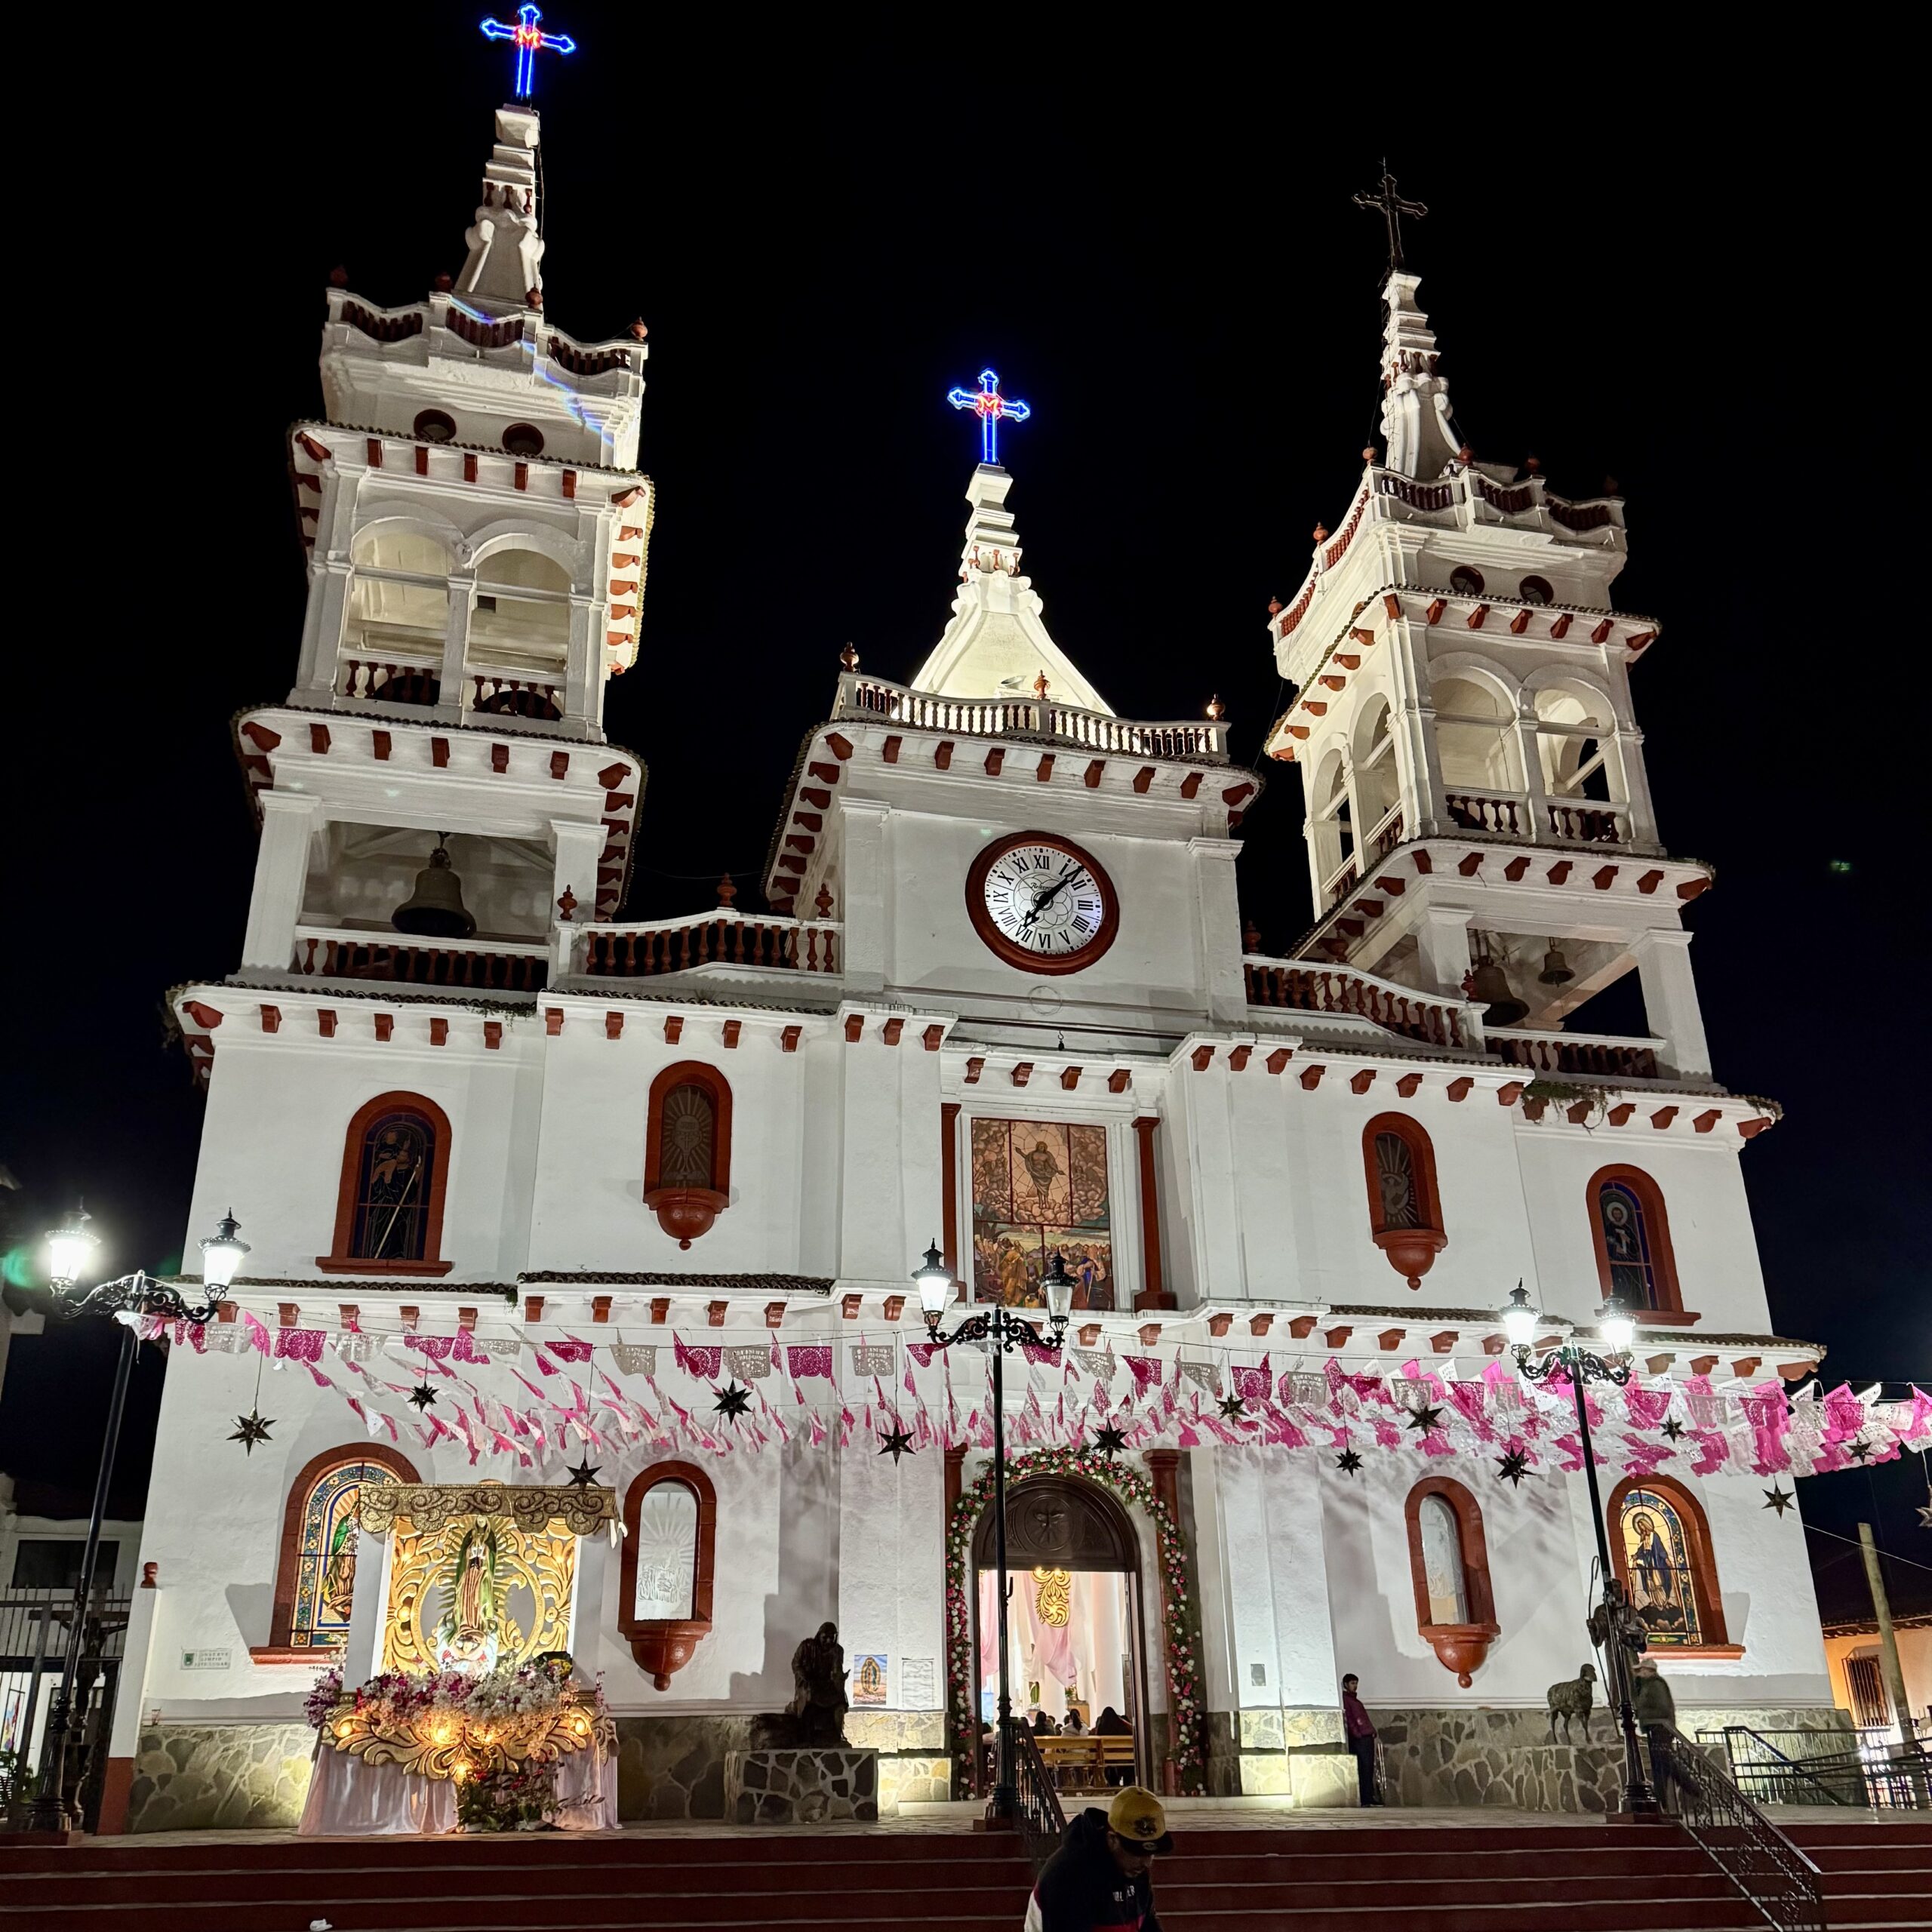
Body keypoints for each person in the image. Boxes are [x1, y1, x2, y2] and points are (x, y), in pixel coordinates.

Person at [1024, 1785, 1171, 1931]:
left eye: (1151, 1853)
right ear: (1112, 1839)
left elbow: (1148, 1924)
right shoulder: (1068, 1876)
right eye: (1137, 1853)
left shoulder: (1134, 1870)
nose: (1147, 1863)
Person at [1632, 1656, 1678, 1810]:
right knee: (1662, 1764)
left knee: (1665, 1764)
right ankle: (1661, 1799)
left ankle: (1691, 1789)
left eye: (1641, 1670)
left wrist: (1643, 1713)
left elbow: (1662, 1708)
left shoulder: (1656, 1685)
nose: (1639, 1674)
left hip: (1659, 1728)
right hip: (1654, 1728)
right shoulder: (1647, 1685)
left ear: (1649, 1671)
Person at [1341, 1673, 1380, 1806]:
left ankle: (1369, 1796)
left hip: (1366, 1735)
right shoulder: (1347, 1700)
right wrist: (1357, 1734)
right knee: (1363, 1767)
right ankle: (1365, 1797)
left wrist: (1372, 1730)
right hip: (1360, 1738)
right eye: (1352, 1683)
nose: (1355, 1686)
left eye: (1356, 1683)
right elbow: (1351, 1718)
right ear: (1346, 1685)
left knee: (1369, 1768)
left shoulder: (1355, 1700)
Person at [1094, 1705, 1132, 1787]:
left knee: (1108, 1764)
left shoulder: (1102, 1728)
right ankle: (1128, 1783)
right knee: (1128, 1763)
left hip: (1107, 1758)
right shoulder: (1122, 1727)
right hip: (1126, 1757)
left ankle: (1113, 1783)